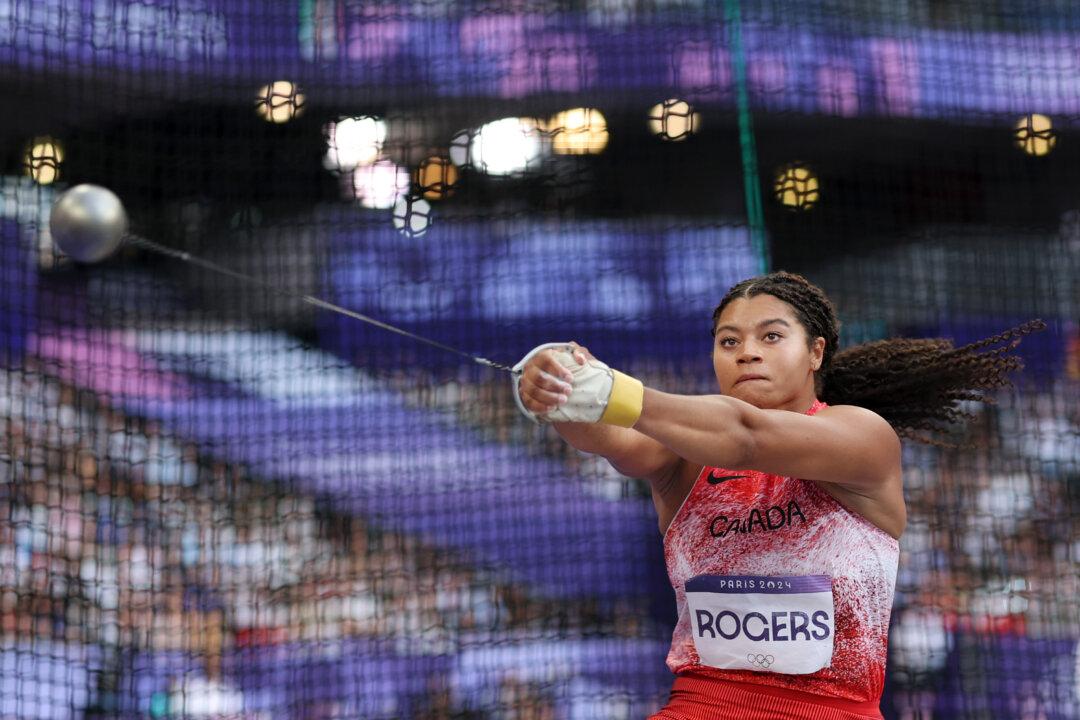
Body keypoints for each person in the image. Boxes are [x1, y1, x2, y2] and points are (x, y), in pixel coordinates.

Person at [514, 271, 1043, 720]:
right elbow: (609, 439)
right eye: (728, 342)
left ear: (815, 352)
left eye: (770, 337)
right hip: (702, 706)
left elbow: (747, 436)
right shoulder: (686, 456)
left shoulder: (862, 436)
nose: (746, 353)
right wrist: (558, 390)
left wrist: (612, 391)